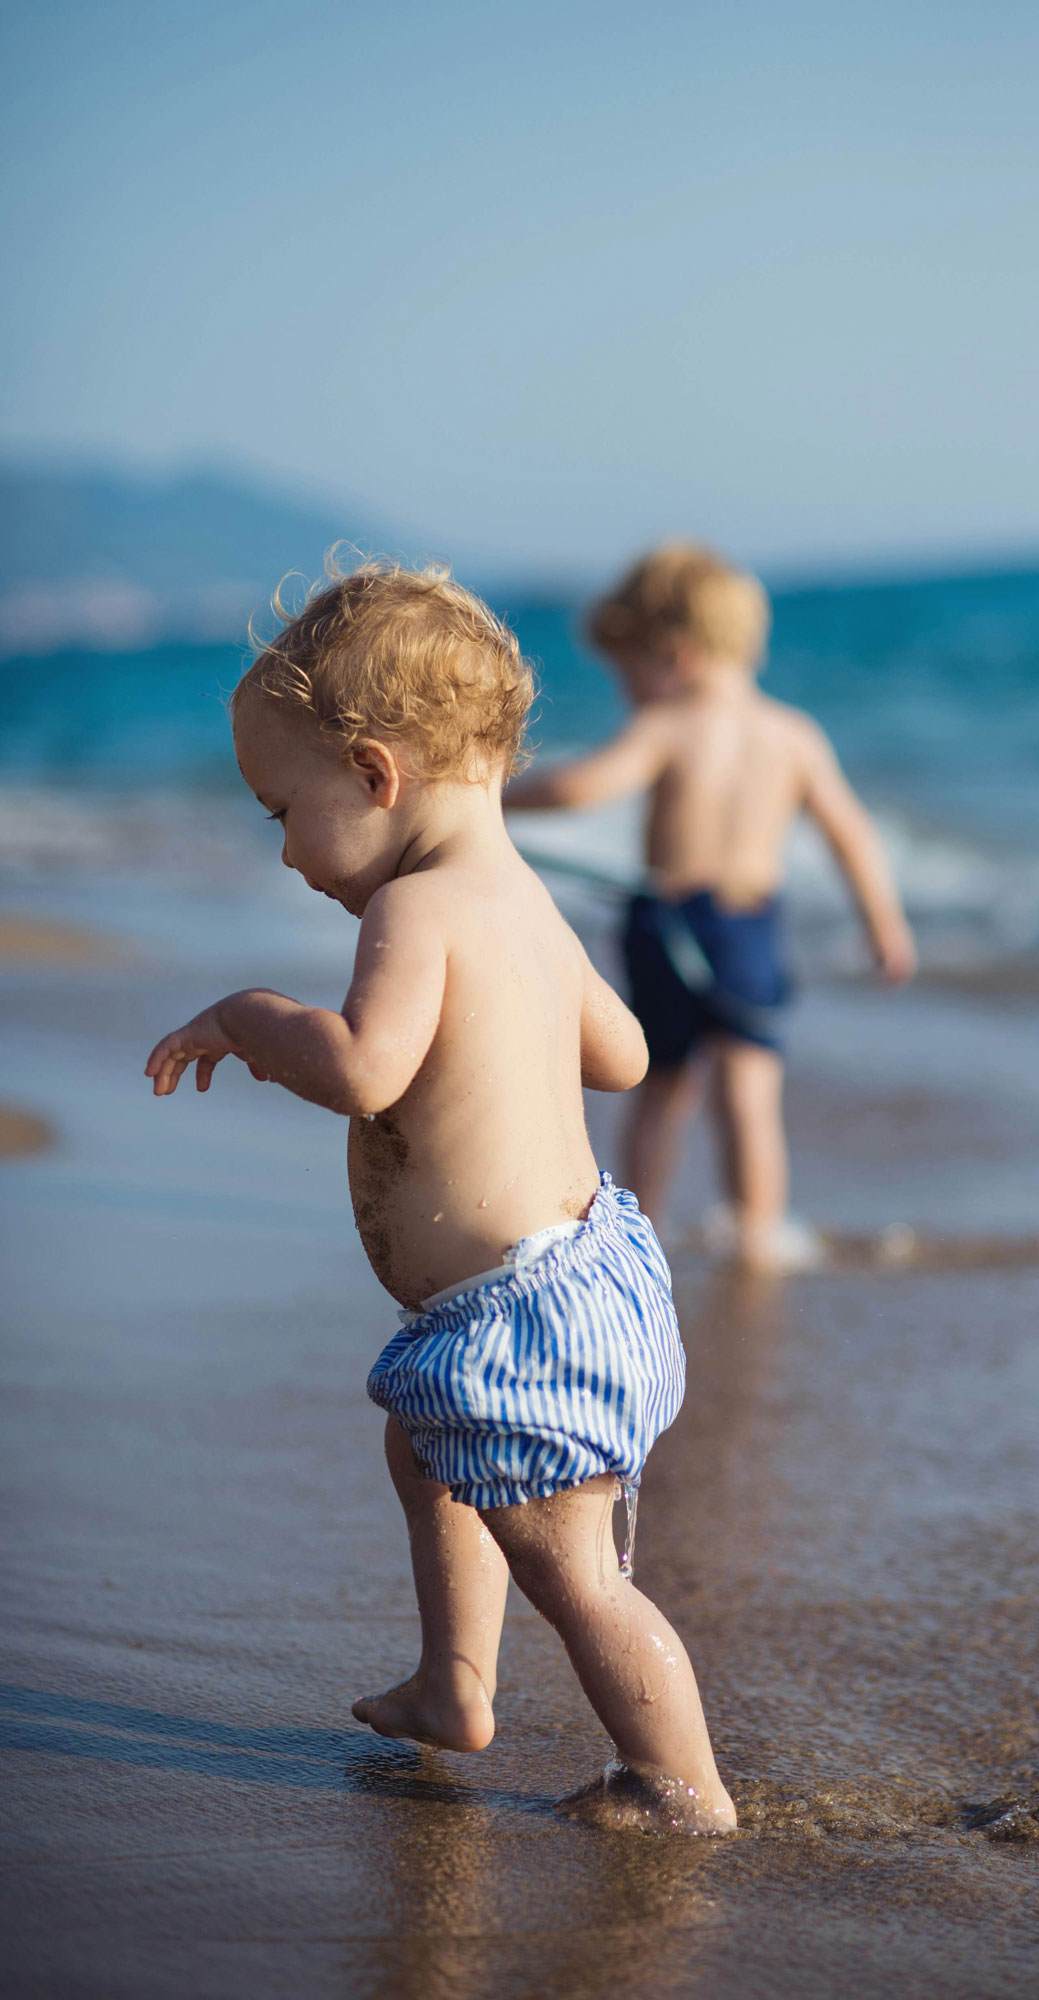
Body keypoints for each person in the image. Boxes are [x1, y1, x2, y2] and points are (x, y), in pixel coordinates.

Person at [143, 559, 736, 1835]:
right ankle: (453, 1680)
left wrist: (251, 1016)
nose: (287, 850)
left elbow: (365, 1070)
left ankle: (679, 1785)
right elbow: (626, 1053)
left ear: (374, 773)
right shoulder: (524, 901)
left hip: (523, 1313)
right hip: (576, 1278)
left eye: (282, 811)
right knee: (425, 1450)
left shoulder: (412, 909)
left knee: (572, 1571)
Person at [505, 542, 917, 1271]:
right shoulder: (794, 735)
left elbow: (581, 786)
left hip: (667, 925)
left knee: (660, 1087)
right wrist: (884, 925)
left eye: (629, 672)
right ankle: (759, 1233)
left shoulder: (667, 724)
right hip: (748, 925)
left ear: (675, 654)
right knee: (749, 1091)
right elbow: (850, 832)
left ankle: (638, 1234)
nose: (627, 692)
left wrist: (489, 797)